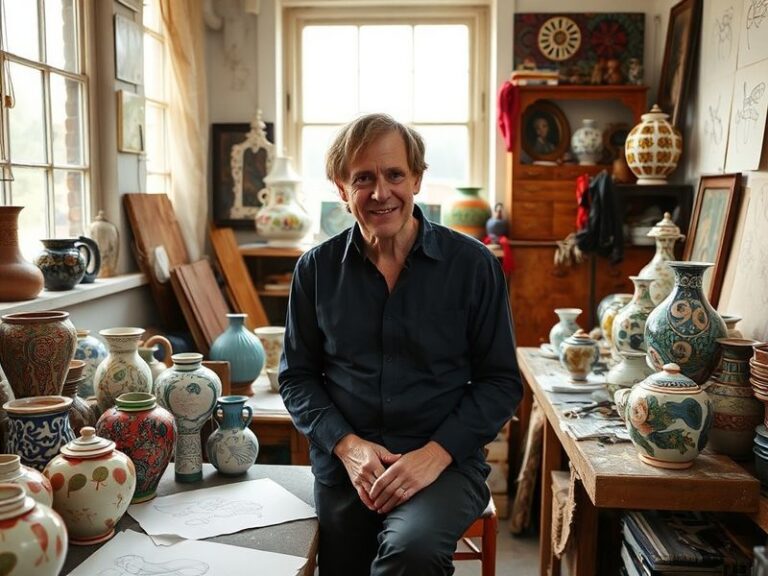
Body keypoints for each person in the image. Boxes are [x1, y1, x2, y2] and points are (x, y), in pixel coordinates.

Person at [279, 112, 522, 576]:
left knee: (410, 554)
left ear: (417, 179)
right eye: (363, 178)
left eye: (394, 175)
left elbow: (500, 383)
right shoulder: (315, 270)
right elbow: (297, 378)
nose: (380, 193)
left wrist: (433, 456)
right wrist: (349, 448)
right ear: (340, 187)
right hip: (348, 470)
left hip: (444, 468)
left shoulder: (472, 266)